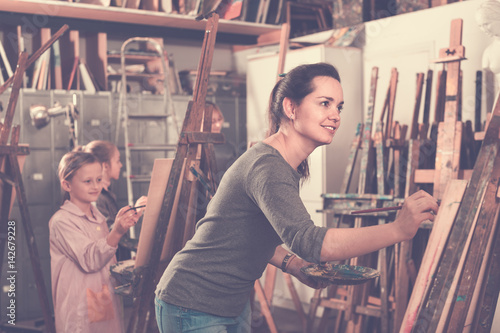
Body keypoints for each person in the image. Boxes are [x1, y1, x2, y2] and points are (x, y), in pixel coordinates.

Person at [154, 62, 438, 333]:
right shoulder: (268, 166)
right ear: (291, 107)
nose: (336, 115)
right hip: (192, 303)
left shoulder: (282, 164)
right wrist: (398, 229)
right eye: (324, 103)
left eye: (338, 106)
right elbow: (313, 243)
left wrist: (294, 265)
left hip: (229, 302)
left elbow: (246, 232)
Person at [49, 151, 142, 332]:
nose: (95, 186)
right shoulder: (62, 221)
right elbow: (90, 259)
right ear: (67, 185)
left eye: (99, 180)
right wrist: (117, 231)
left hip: (101, 297)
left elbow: (106, 260)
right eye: (87, 181)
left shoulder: (97, 215)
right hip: (79, 304)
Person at [83, 140, 147, 261]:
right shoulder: (98, 198)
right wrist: (144, 248)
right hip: (108, 263)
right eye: (117, 161)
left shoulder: (107, 194)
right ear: (105, 166)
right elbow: (109, 234)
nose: (121, 165)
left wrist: (135, 213)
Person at [475, 0, 500, 113]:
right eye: (480, 26)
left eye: (486, 24)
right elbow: (490, 92)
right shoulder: (488, 53)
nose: (483, 30)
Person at [207, 101, 238, 186]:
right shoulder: (193, 150)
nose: (218, 125)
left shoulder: (230, 147)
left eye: (219, 119)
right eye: (213, 121)